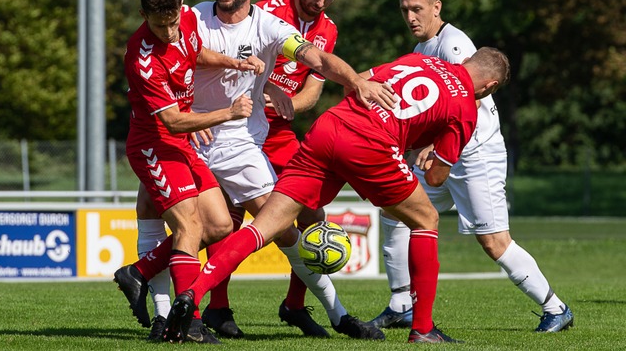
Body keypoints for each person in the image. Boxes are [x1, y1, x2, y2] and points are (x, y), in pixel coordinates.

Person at [115, 0, 395, 342]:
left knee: (280, 227)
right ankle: (170, 317)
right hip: (188, 136)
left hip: (240, 145)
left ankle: (338, 313)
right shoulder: (190, 16)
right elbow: (175, 64)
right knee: (176, 217)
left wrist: (354, 81)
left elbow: (315, 58)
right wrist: (194, 115)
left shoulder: (268, 26)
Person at [161, 46, 511, 344]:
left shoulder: (418, 60)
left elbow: (355, 83)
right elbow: (435, 178)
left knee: (265, 226)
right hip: (372, 144)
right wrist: (427, 147)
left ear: (467, 60)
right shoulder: (466, 108)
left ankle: (192, 295)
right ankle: (422, 329)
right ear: (490, 86)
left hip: (331, 127)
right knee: (426, 219)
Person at [369, 0, 574, 333]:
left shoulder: (454, 45)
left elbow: (467, 104)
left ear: (437, 7)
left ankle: (556, 308)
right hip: (444, 154)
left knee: (494, 242)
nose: (411, 17)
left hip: (476, 155)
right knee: (397, 210)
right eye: (405, 10)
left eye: (417, 8)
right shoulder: (421, 50)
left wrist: (431, 144)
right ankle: (402, 303)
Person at [201, 0, 345, 338]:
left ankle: (296, 305)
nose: (320, 3)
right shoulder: (265, 11)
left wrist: (288, 102)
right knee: (227, 218)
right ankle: (217, 308)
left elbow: (311, 95)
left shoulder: (327, 29)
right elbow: (234, 65)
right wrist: (262, 93)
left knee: (311, 208)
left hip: (279, 131)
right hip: (241, 126)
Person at [119, 0, 263, 344]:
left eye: (170, 23)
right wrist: (228, 113)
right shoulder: (142, 58)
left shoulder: (186, 19)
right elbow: (171, 119)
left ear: (179, 8)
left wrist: (234, 62)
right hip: (154, 145)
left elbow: (194, 52)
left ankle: (140, 271)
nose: (167, 32)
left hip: (180, 143)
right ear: (142, 13)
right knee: (189, 228)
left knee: (219, 225)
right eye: (157, 24)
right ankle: (190, 323)